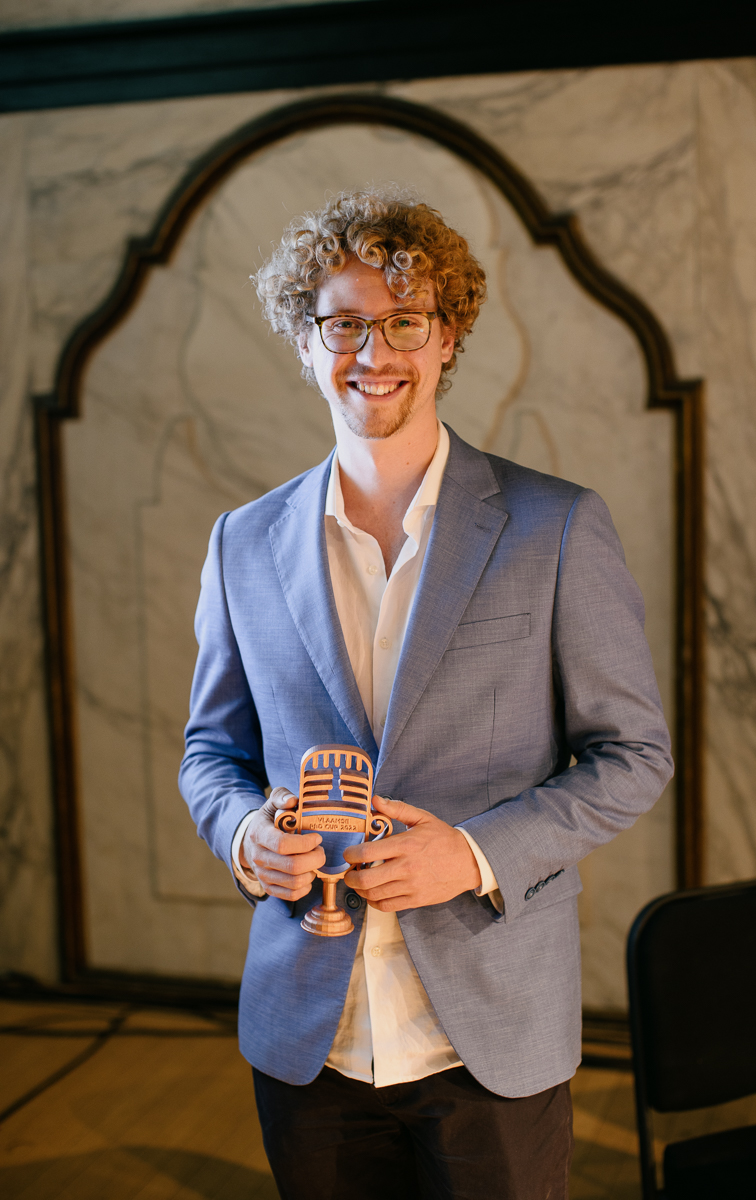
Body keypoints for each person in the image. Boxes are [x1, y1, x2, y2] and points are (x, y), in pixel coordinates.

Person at [179, 191, 673, 1200]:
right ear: (304, 342)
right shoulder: (241, 542)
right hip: (306, 1035)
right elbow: (209, 755)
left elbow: (634, 756)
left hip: (488, 1032)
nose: (374, 350)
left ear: (446, 339)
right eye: (344, 323)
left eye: (404, 320)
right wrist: (241, 835)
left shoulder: (555, 527)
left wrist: (473, 851)